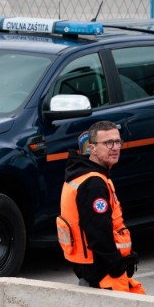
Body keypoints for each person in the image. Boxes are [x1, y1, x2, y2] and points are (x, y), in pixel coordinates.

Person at [57, 120, 144, 294]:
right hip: (103, 272)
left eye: (117, 142)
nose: (115, 147)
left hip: (92, 269)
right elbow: (99, 233)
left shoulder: (83, 175)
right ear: (92, 148)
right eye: (107, 143)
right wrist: (118, 267)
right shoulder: (93, 184)